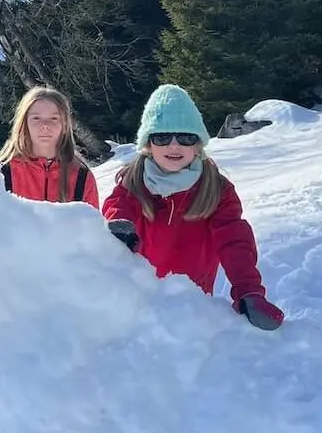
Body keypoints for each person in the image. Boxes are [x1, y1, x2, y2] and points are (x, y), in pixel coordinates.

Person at [101, 84, 285, 330]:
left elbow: (235, 242)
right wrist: (119, 225)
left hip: (192, 304)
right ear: (148, 144)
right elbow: (117, 206)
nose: (174, 146)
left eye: (185, 137)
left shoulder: (217, 190)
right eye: (162, 137)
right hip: (141, 301)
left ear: (198, 145)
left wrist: (249, 291)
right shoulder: (134, 183)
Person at [0, 86, 99, 207]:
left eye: (54, 118)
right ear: (24, 124)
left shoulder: (81, 176)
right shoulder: (2, 173)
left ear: (65, 125)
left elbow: (91, 224)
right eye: (36, 118)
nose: (45, 125)